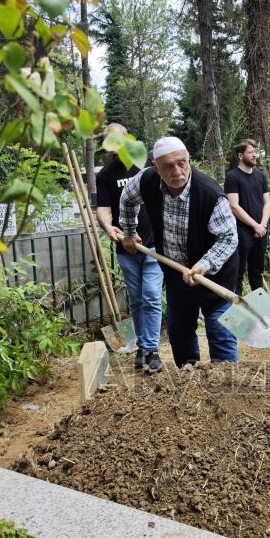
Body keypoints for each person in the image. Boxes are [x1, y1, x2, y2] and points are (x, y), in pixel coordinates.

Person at [119, 137, 239, 368]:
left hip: (216, 275)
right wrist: (129, 232)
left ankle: (227, 388)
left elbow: (228, 238)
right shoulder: (146, 180)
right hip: (177, 274)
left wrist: (204, 265)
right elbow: (127, 198)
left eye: (182, 163)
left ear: (188, 160)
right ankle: (188, 382)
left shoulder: (210, 194)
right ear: (155, 166)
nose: (177, 171)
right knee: (179, 332)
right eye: (168, 166)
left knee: (221, 332)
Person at [96, 124, 164, 373]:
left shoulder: (147, 163)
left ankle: (153, 350)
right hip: (126, 248)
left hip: (155, 245)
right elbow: (103, 209)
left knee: (152, 296)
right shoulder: (105, 174)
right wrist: (108, 227)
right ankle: (142, 349)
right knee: (136, 301)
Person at [224, 139, 270, 295]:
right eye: (250, 152)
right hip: (242, 233)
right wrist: (254, 225)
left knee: (257, 272)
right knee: (237, 273)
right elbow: (234, 206)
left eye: (255, 152)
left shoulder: (261, 176)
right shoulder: (232, 177)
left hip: (260, 231)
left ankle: (259, 308)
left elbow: (267, 203)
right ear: (240, 155)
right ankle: (237, 311)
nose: (254, 155)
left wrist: (262, 225)